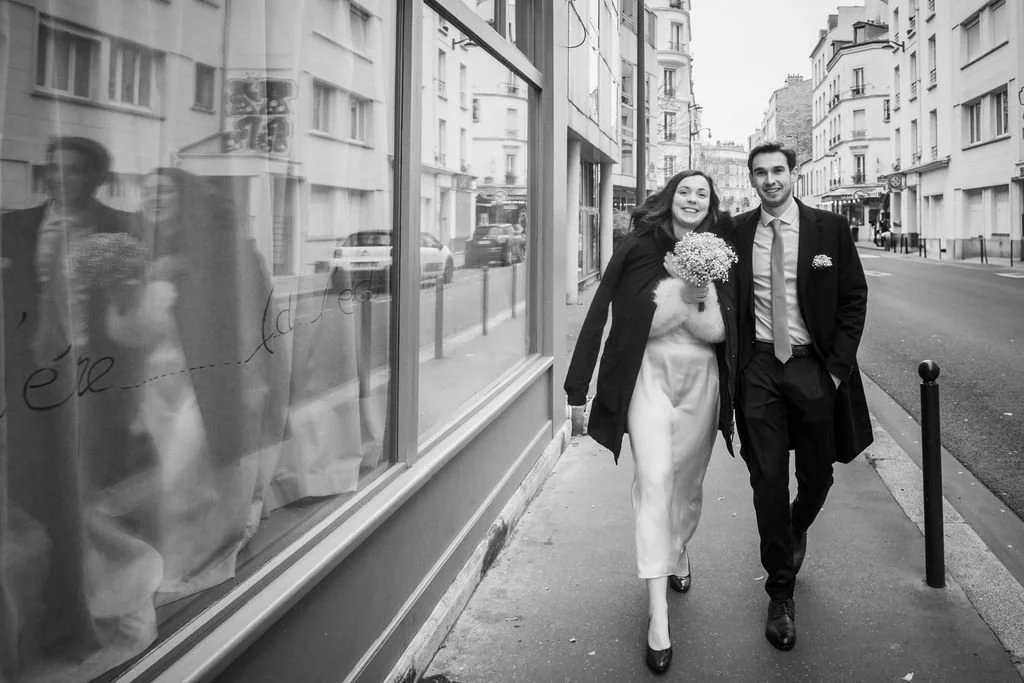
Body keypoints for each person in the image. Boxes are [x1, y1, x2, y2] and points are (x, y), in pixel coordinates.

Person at [564, 170, 737, 674]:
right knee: (655, 480)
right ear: (670, 197)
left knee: (688, 485)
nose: (692, 199)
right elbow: (604, 310)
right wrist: (578, 386)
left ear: (710, 205)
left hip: (701, 379)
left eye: (701, 193)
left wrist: (697, 286)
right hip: (647, 377)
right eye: (684, 190)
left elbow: (729, 325)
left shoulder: (721, 251)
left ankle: (678, 549)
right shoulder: (639, 245)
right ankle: (658, 617)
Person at [104, 167, 289, 604]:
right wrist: (151, 282)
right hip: (154, 390)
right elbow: (125, 332)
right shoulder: (137, 256)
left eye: (164, 190)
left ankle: (186, 565)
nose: (153, 198)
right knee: (181, 478)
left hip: (206, 384)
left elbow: (255, 322)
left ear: (185, 198)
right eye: (147, 191)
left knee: (181, 476)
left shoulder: (228, 251)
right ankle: (189, 549)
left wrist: (257, 380)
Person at [731, 142, 872, 651]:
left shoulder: (828, 229)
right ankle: (780, 593)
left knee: (817, 477)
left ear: (793, 174)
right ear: (752, 179)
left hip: (814, 367)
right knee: (767, 479)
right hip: (759, 369)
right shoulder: (735, 232)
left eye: (778, 171)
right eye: (760, 173)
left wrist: (835, 371)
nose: (770, 180)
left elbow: (854, 298)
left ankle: (794, 528)